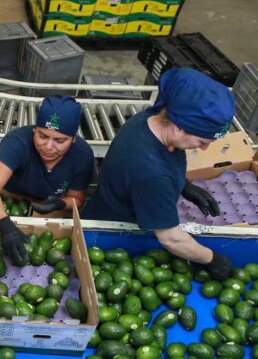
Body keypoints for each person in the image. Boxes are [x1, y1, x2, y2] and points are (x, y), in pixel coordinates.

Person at [81, 68, 235, 280]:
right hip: (115, 234)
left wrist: (183, 185)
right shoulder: (152, 173)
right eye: (202, 142)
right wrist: (213, 259)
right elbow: (171, 239)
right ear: (179, 127)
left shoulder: (149, 119)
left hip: (107, 205)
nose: (205, 149)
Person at [0, 95, 95, 265]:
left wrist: (60, 204)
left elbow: (77, 199)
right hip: (6, 200)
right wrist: (6, 228)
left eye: (59, 140)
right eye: (42, 136)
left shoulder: (82, 156)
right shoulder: (17, 143)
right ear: (35, 129)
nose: (48, 146)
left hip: (44, 206)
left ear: (73, 139)